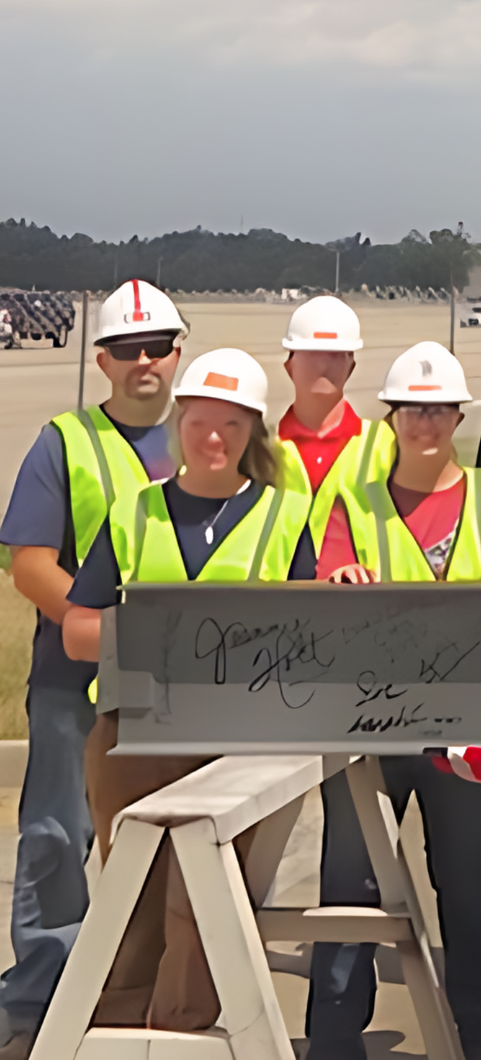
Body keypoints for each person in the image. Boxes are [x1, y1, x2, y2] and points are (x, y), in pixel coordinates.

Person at [63, 348, 315, 1031]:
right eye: (200, 421)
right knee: (132, 900)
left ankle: (181, 1034)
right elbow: (77, 630)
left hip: (237, 741)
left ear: (252, 434)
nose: (213, 438)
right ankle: (118, 1031)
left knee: (199, 903)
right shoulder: (132, 512)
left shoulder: (284, 516)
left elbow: (306, 636)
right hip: (132, 734)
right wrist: (150, 633)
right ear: (179, 423)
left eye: (231, 426)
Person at [308, 343, 481, 1060]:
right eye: (411, 409)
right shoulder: (354, 504)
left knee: (468, 886)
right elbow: (325, 584)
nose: (424, 422)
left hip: (465, 731)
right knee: (349, 885)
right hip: (369, 727)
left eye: (437, 408)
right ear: (391, 417)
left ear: (459, 414)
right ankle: (336, 1036)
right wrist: (336, 581)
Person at [0, 281, 185, 1055]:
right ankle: (38, 999)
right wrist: (100, 632)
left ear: (180, 353)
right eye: (127, 351)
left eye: (158, 347)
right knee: (56, 832)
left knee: (179, 845)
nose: (144, 362)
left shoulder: (208, 432)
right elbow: (31, 563)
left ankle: (158, 998)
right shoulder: (63, 442)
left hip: (182, 684)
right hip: (74, 679)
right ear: (102, 360)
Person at [274, 294, 393, 533]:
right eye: (311, 355)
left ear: (352, 365)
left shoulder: (385, 445)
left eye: (335, 355)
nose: (322, 365)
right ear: (289, 365)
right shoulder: (262, 448)